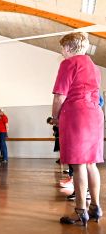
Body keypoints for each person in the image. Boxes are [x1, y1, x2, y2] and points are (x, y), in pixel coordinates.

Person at [52, 32, 103, 226]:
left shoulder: (68, 63)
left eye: (62, 49)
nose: (62, 52)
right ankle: (95, 206)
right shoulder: (94, 67)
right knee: (91, 163)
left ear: (67, 48)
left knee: (78, 163)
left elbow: (59, 96)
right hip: (95, 114)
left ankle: (80, 210)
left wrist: (55, 117)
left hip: (77, 114)